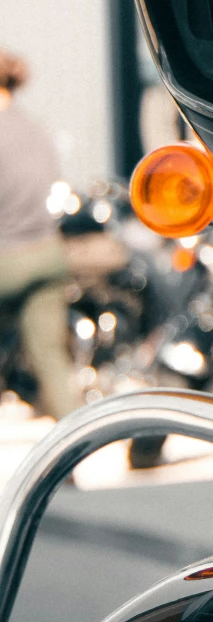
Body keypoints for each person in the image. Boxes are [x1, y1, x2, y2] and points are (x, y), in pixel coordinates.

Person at [0, 50, 78, 422]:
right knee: (52, 360)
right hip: (47, 253)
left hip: (5, 258)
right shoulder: (34, 129)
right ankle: (75, 454)